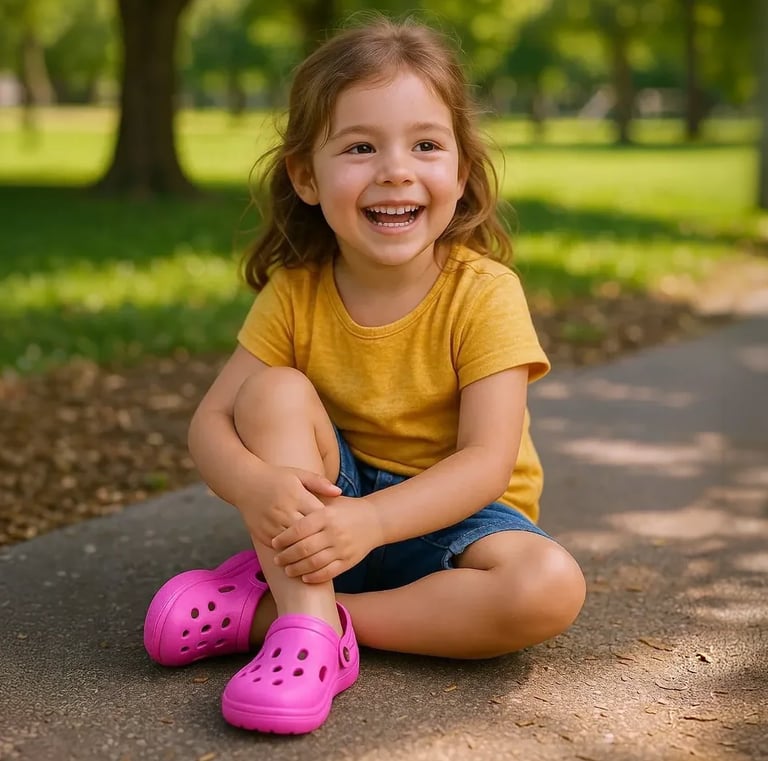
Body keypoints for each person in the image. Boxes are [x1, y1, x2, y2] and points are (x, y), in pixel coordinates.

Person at [142, 15, 586, 736]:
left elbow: (486, 461)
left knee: (550, 587)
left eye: (426, 144)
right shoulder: (296, 291)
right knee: (274, 391)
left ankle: (276, 618)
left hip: (455, 523)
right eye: (359, 147)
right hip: (328, 501)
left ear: (462, 170)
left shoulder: (485, 292)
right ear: (306, 176)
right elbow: (211, 423)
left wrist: (373, 522)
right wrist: (259, 487)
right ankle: (309, 635)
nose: (396, 170)